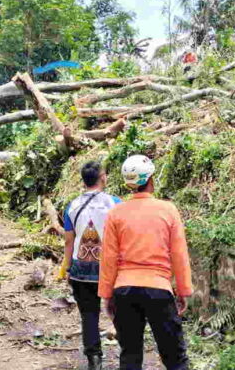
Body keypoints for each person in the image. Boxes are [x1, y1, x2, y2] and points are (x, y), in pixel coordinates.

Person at [99, 155, 193, 370]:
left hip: (124, 290)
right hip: (159, 290)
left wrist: (107, 295)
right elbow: (179, 254)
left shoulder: (116, 213)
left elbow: (108, 258)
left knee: (130, 356)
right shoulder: (167, 210)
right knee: (175, 358)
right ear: (151, 178)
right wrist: (183, 290)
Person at [57, 161, 122, 370]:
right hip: (110, 268)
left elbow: (69, 241)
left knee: (89, 315)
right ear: (102, 177)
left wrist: (67, 267)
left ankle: (94, 359)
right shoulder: (115, 203)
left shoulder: (72, 206)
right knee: (120, 309)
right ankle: (129, 354)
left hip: (81, 269)